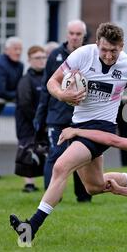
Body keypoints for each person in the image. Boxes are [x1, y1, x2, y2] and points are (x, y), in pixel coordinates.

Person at [10, 22, 127, 243]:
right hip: (79, 126)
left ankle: (31, 227)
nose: (109, 55)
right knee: (94, 186)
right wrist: (62, 95)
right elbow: (53, 81)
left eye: (114, 50)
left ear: (122, 46)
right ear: (97, 43)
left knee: (61, 167)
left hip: (102, 128)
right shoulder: (82, 55)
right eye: (104, 49)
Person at [33, 20, 92, 202]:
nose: (74, 37)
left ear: (83, 36)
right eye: (71, 33)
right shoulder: (55, 56)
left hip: (81, 117)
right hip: (57, 116)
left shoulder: (90, 56)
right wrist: (40, 117)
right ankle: (51, 197)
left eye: (78, 34)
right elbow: (46, 87)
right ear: (67, 34)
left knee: (80, 156)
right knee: (56, 155)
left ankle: (83, 196)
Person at [15, 46, 47, 192]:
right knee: (27, 151)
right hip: (27, 123)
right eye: (37, 58)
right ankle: (29, 184)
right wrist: (37, 120)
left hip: (43, 123)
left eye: (43, 57)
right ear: (29, 60)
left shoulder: (48, 77)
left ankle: (48, 182)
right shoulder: (25, 80)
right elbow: (24, 103)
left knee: (44, 151)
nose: (41, 61)